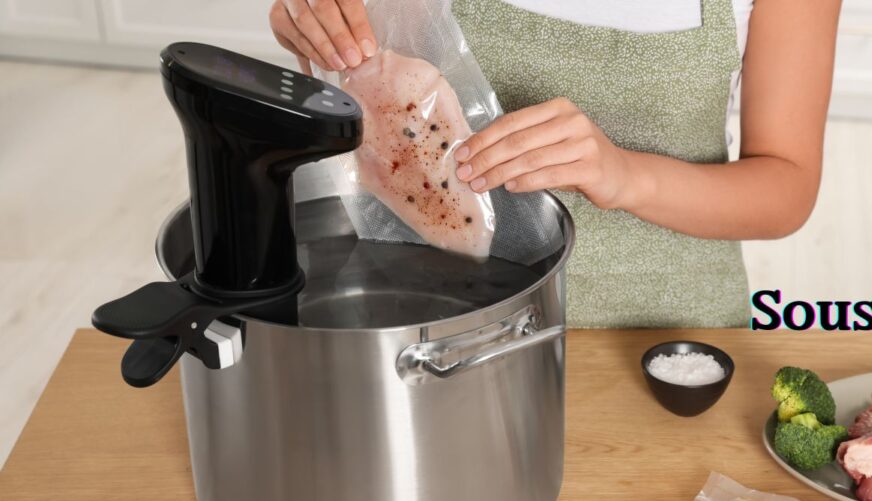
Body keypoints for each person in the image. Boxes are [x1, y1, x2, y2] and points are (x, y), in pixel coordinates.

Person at [269, 0, 841, 328]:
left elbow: (785, 185)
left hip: (656, 331)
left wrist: (624, 176)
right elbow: (386, 69)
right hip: (438, 317)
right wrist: (322, 25)